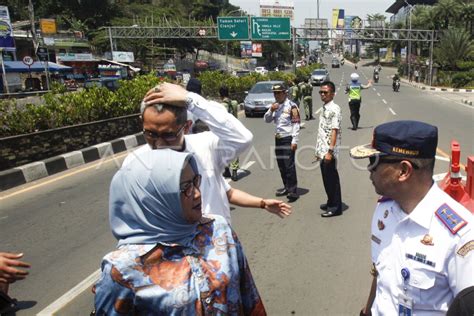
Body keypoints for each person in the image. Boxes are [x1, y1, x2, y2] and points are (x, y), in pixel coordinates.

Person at [94, 149, 266, 315]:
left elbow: (249, 295)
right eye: (185, 188)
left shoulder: (217, 228)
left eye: (195, 182)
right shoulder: (122, 269)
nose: (198, 194)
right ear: (154, 200)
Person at [350, 120, 474, 316]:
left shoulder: (461, 236)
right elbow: (381, 272)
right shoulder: (385, 211)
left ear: (404, 171)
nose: (369, 170)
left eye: (374, 162)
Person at [123, 83, 292, 224]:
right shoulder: (134, 163)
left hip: (215, 250)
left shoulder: (205, 146)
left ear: (187, 126)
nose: (159, 143)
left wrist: (190, 99)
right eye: (151, 134)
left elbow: (226, 190)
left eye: (168, 135)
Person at [264, 83, 300, 202]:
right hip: (278, 138)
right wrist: (270, 110)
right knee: (281, 165)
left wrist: (294, 140)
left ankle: (293, 191)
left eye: (279, 93)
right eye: (275, 93)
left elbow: (296, 124)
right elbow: (267, 120)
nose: (276, 95)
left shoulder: (292, 106)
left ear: (285, 93)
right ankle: (286, 186)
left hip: (287, 138)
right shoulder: (275, 106)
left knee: (289, 165)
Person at [315, 81, 343, 217]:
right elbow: (322, 131)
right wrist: (319, 151)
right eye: (321, 92)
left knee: (331, 179)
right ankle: (330, 201)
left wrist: (330, 152)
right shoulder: (325, 107)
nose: (322, 94)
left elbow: (334, 131)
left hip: (329, 151)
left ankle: (335, 207)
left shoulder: (334, 109)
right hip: (323, 150)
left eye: (325, 92)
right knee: (327, 179)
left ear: (332, 94)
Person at [220, 85, 240, 181]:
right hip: (233, 129)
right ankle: (235, 172)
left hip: (224, 131)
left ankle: (226, 170)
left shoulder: (221, 106)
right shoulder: (234, 103)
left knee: (224, 150)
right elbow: (236, 116)